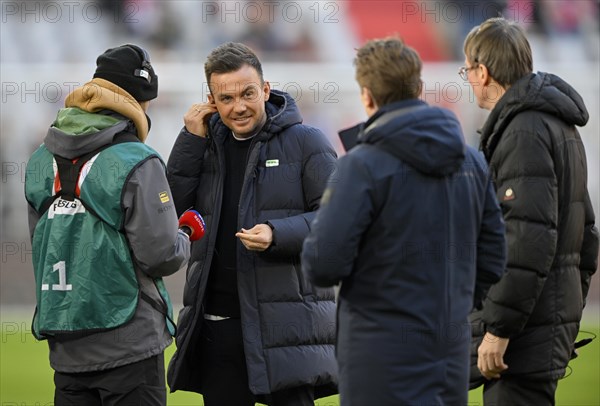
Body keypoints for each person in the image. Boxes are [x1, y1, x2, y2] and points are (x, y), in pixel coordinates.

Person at [301, 37, 507, 406]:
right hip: (449, 350)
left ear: (366, 96)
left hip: (379, 356)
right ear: (419, 87)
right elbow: (493, 256)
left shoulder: (361, 166)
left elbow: (323, 263)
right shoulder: (472, 162)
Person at [166, 42, 338, 405]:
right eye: (226, 98)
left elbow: (337, 220)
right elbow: (171, 214)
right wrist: (189, 140)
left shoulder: (308, 142)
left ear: (265, 89)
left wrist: (278, 233)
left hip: (287, 327)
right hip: (219, 326)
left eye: (247, 93)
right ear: (212, 100)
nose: (239, 106)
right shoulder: (203, 145)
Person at [24, 44, 193, 406]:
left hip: (66, 345)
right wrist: (187, 233)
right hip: (129, 343)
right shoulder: (138, 159)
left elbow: (42, 245)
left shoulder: (39, 159)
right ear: (141, 102)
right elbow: (161, 256)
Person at [461, 17, 599, 404]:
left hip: (522, 335)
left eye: (467, 70)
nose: (467, 79)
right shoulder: (559, 127)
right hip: (543, 322)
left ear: (483, 71)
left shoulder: (524, 131)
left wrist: (499, 330)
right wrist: (565, 310)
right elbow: (586, 237)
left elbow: (525, 242)